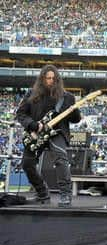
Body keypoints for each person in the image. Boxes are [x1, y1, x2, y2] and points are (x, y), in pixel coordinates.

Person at [16, 65, 81, 208]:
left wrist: (74, 111)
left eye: (53, 78)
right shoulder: (31, 94)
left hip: (56, 132)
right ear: (42, 79)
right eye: (48, 78)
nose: (50, 81)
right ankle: (42, 192)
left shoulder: (67, 97)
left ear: (57, 80)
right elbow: (20, 114)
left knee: (60, 159)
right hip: (36, 133)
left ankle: (65, 194)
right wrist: (33, 125)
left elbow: (76, 120)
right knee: (27, 164)